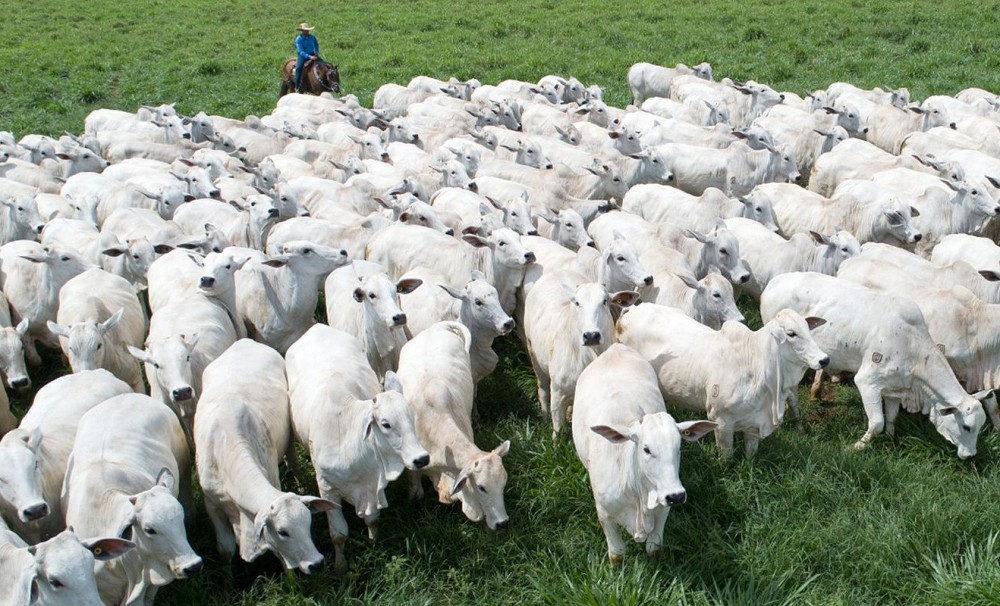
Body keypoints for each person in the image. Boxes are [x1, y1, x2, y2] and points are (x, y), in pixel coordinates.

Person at [294, 22, 320, 93]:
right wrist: (310, 57)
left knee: (322, 64)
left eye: (308, 30)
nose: (307, 31)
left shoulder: (312, 37)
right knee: (299, 69)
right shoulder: (299, 39)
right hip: (303, 55)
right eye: (305, 30)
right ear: (302, 31)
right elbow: (300, 51)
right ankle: (297, 86)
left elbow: (316, 45)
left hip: (312, 53)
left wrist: (316, 52)